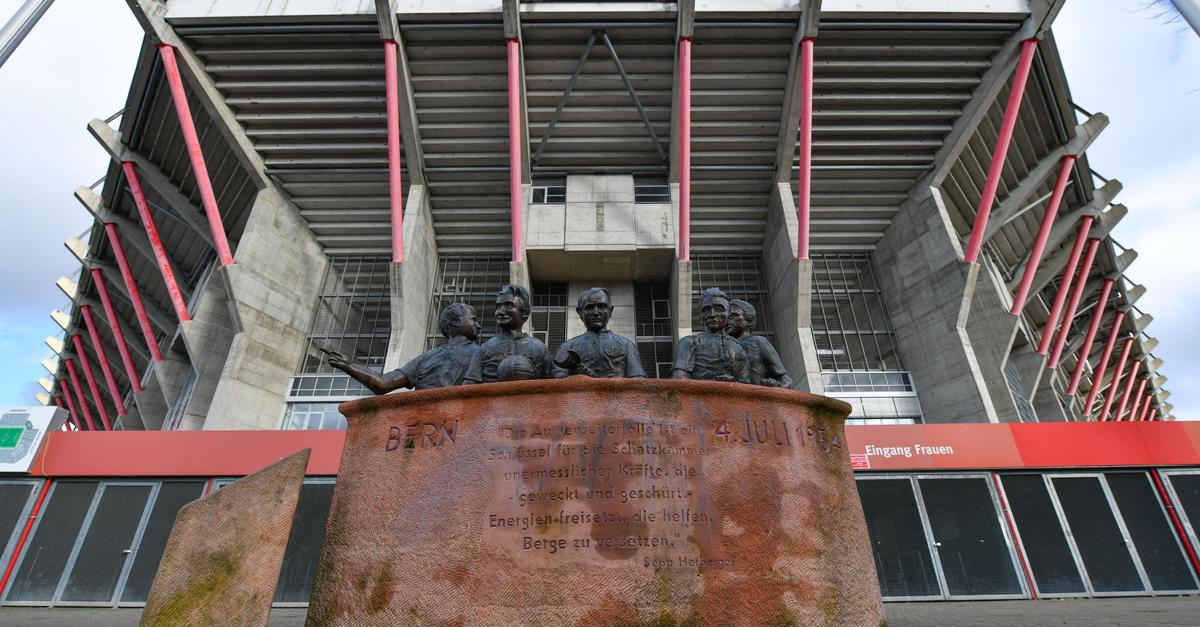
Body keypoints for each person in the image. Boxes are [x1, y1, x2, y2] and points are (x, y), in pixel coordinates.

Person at [326, 302, 480, 392]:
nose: (478, 325)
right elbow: (382, 384)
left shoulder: (425, 358)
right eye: (474, 320)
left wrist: (348, 364)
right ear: (455, 322)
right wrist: (347, 364)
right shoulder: (484, 354)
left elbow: (382, 383)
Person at [463, 284, 557, 383]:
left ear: (524, 313)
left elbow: (552, 386)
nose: (501, 311)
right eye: (498, 306)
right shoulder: (485, 348)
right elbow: (469, 387)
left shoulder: (539, 348)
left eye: (509, 305)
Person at [554, 287, 646, 378]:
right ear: (580, 312)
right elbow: (556, 384)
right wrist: (577, 378)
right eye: (590, 307)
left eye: (602, 306)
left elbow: (638, 381)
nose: (596, 312)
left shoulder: (627, 345)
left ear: (610, 311)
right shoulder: (567, 348)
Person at [670, 287, 749, 383]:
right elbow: (678, 380)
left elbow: (745, 385)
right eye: (706, 310)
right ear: (700, 317)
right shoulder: (689, 342)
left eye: (718, 309)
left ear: (728, 314)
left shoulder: (738, 348)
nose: (712, 314)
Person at [727, 299, 793, 388]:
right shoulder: (723, 345)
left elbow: (785, 378)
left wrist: (779, 387)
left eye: (734, 315)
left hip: (756, 397)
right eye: (728, 317)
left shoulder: (758, 341)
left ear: (749, 321)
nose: (728, 320)